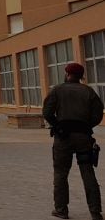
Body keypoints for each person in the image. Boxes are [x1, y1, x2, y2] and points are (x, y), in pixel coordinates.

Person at [43, 62, 104, 219]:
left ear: (67, 74)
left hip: (63, 139)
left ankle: (61, 210)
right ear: (81, 76)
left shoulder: (57, 90)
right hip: (83, 138)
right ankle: (95, 212)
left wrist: (59, 126)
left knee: (61, 174)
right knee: (88, 172)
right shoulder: (89, 92)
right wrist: (85, 126)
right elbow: (98, 114)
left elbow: (47, 112)